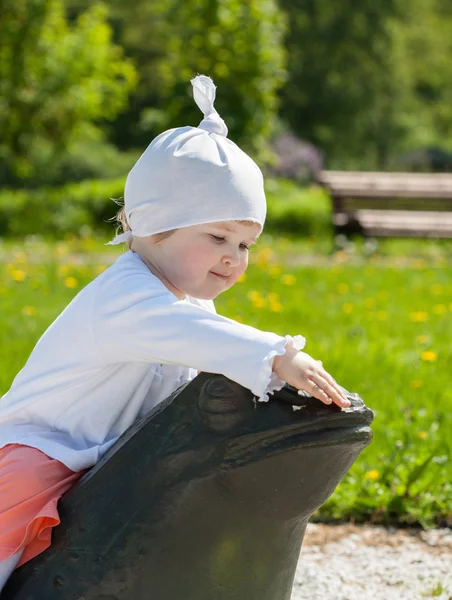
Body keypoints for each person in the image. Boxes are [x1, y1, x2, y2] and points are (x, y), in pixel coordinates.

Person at [0, 74, 350, 589]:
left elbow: (210, 343)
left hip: (105, 459)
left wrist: (269, 382)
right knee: (18, 499)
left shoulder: (187, 303)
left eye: (246, 244)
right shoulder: (124, 297)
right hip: (43, 449)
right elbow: (196, 337)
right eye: (217, 236)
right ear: (154, 225)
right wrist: (276, 356)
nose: (233, 257)